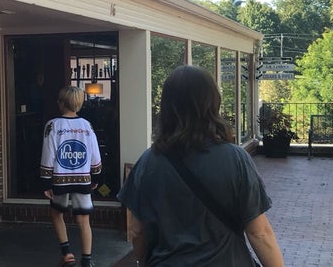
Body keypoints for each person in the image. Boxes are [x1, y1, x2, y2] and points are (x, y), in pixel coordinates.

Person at [117, 65, 284, 266]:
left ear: (167, 106)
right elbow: (260, 233)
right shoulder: (236, 159)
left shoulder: (147, 162)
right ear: (212, 103)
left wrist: (144, 262)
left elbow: (137, 229)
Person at [40, 86, 102, 267]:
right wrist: (96, 176)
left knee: (56, 212)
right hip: (83, 178)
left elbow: (49, 153)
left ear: (61, 103)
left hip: (60, 178)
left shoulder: (53, 125)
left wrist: (45, 180)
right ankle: (87, 261)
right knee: (84, 220)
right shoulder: (87, 126)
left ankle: (67, 253)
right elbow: (95, 154)